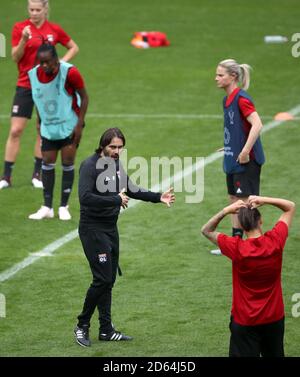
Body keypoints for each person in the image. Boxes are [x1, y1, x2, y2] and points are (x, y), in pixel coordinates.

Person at [74, 127, 175, 347]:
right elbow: (85, 197)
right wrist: (115, 200)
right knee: (101, 279)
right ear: (103, 146)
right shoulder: (90, 166)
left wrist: (158, 197)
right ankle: (82, 325)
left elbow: (130, 189)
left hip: (110, 228)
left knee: (108, 280)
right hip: (93, 229)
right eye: (113, 147)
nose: (117, 151)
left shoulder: (116, 165)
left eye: (120, 147)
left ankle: (106, 330)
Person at [201, 195, 295, 357]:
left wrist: (225, 211)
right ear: (261, 221)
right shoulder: (275, 241)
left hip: (245, 321)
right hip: (274, 318)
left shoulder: (236, 248)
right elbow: (290, 206)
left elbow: (206, 230)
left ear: (243, 227)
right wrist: (264, 199)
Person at [0, 0, 79, 190]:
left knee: (42, 130)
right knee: (16, 130)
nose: (34, 13)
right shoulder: (20, 28)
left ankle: (37, 174)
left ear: (45, 9)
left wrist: (61, 63)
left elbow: (74, 47)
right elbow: (15, 57)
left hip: (48, 87)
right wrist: (23, 40)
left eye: (37, 9)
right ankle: (6, 176)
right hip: (25, 85)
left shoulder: (54, 29)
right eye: (31, 9)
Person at [211, 59, 265, 255]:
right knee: (234, 198)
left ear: (233, 76)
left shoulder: (241, 98)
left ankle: (256, 242)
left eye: (220, 75)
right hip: (233, 156)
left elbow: (257, 124)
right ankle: (236, 242)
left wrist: (243, 151)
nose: (216, 78)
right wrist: (229, 147)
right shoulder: (226, 100)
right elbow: (236, 129)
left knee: (245, 201)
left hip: (246, 160)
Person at [28, 43, 88, 220]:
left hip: (69, 125)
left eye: (48, 62)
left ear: (56, 58)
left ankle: (63, 206)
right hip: (48, 127)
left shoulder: (70, 72)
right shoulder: (33, 75)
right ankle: (47, 207)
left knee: (67, 162)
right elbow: (39, 99)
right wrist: (39, 121)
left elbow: (84, 97)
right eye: (42, 62)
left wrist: (79, 124)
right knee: (47, 162)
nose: (45, 66)